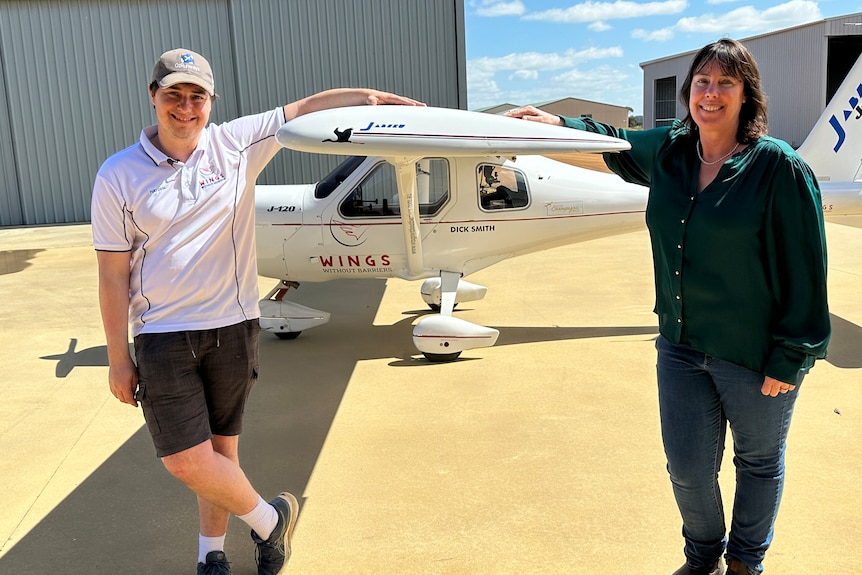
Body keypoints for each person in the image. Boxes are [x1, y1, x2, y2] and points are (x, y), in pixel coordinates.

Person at [91, 48, 424, 575]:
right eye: (172, 94)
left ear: (211, 101)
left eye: (196, 96)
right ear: (152, 96)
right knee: (185, 459)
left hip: (233, 326)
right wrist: (118, 357)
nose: (184, 107)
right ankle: (271, 521)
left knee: (222, 455)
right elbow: (112, 275)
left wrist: (372, 99)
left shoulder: (235, 142)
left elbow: (306, 110)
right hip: (162, 334)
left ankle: (211, 555)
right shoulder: (117, 174)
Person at [505, 38, 830, 575]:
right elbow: (617, 141)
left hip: (754, 354)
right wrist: (554, 125)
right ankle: (702, 558)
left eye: (727, 82)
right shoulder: (674, 151)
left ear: (747, 95)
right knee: (688, 470)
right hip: (680, 348)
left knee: (758, 463)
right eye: (702, 81)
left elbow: (806, 268)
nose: (711, 93)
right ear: (688, 92)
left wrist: (792, 355)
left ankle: (745, 563)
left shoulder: (778, 167)